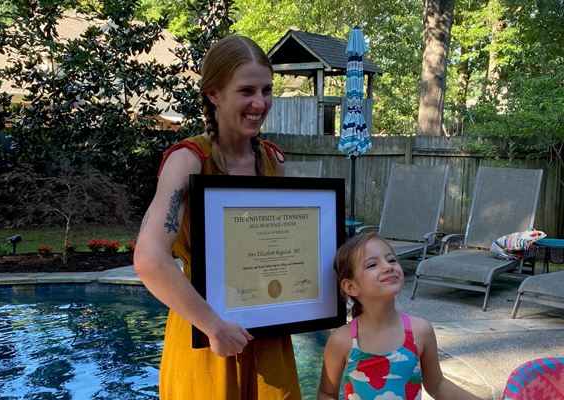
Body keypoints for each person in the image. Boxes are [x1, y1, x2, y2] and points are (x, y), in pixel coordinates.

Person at [133, 35, 302, 400]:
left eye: (267, 90)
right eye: (246, 91)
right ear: (214, 94)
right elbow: (149, 259)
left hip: (270, 333)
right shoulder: (188, 161)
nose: (260, 103)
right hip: (205, 334)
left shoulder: (274, 161)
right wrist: (214, 327)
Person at [317, 233, 479, 400]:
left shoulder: (420, 331)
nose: (388, 267)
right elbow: (326, 393)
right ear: (350, 287)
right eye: (372, 265)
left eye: (391, 260)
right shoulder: (341, 340)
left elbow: (436, 384)